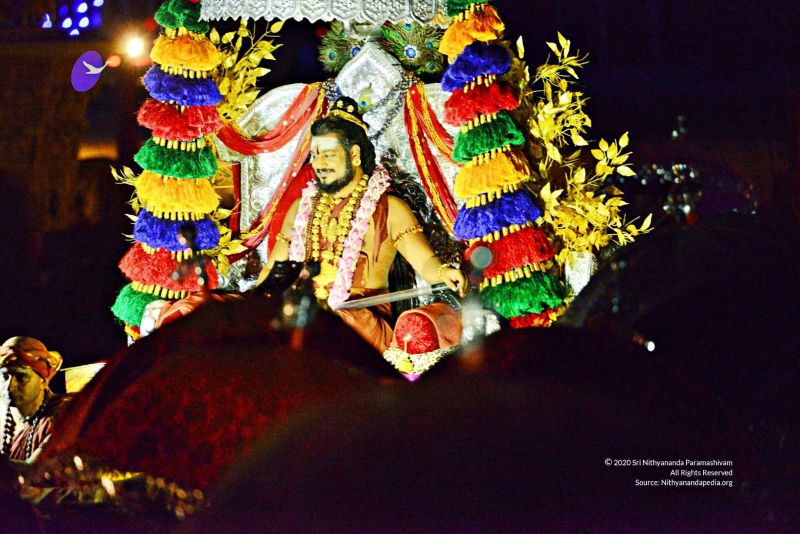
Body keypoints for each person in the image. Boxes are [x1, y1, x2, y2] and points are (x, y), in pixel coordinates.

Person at [258, 97, 467, 352]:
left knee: (334, 325)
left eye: (328, 155)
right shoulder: (300, 209)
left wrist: (443, 273)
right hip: (307, 320)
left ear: (354, 155)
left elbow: (425, 262)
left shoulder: (390, 209)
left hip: (362, 326)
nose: (319, 164)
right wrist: (255, 307)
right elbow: (273, 270)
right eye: (315, 155)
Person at [0, 336, 67, 464]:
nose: (9, 386)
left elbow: (35, 469)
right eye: (4, 376)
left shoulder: (65, 414)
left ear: (43, 381)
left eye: (21, 377)